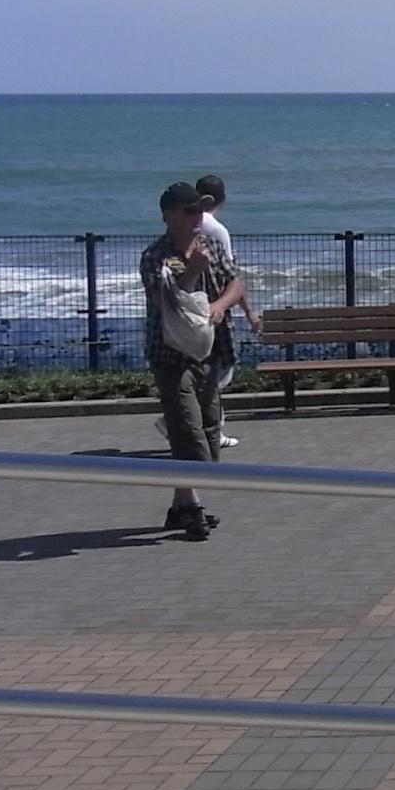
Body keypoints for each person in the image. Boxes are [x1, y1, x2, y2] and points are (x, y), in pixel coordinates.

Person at [141, 180, 246, 540]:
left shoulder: (211, 245)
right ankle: (193, 505)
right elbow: (166, 302)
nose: (198, 216)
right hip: (171, 354)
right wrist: (193, 272)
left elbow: (236, 283)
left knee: (209, 426)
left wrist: (220, 305)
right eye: (189, 211)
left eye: (201, 209)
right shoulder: (156, 256)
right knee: (187, 428)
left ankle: (182, 505)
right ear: (169, 216)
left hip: (209, 349)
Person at [191, 172, 258, 446]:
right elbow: (231, 277)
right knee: (220, 369)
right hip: (217, 308)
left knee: (203, 369)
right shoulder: (217, 230)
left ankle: (207, 425)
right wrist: (249, 311)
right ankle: (209, 428)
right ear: (223, 198)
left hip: (191, 307)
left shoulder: (188, 224)